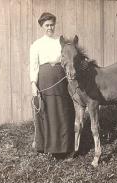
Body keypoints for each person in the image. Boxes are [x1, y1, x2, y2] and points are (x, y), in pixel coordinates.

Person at [30, 12, 75, 158]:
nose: (50, 27)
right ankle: (47, 146)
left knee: (63, 111)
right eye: (47, 25)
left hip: (61, 79)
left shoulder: (60, 41)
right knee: (48, 111)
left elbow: (68, 59)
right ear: (42, 26)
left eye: (52, 24)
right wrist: (33, 84)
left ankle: (65, 147)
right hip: (45, 80)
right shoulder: (37, 44)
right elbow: (33, 66)